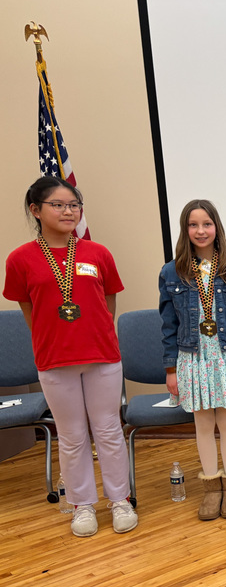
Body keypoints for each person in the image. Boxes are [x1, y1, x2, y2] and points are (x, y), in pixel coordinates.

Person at [4, 177, 136, 537]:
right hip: (54, 360)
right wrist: (55, 339)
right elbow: (28, 308)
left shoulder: (97, 253)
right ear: (36, 210)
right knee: (72, 435)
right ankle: (82, 506)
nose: (68, 211)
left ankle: (120, 499)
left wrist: (93, 335)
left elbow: (108, 302)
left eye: (74, 205)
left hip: (102, 356)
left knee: (108, 430)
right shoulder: (20, 259)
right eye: (58, 205)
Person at [159, 200, 226, 521]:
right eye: (193, 225)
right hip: (192, 357)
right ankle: (211, 488)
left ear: (217, 227)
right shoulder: (171, 271)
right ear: (185, 230)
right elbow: (168, 325)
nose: (200, 231)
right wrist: (171, 368)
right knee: (202, 424)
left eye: (206, 224)